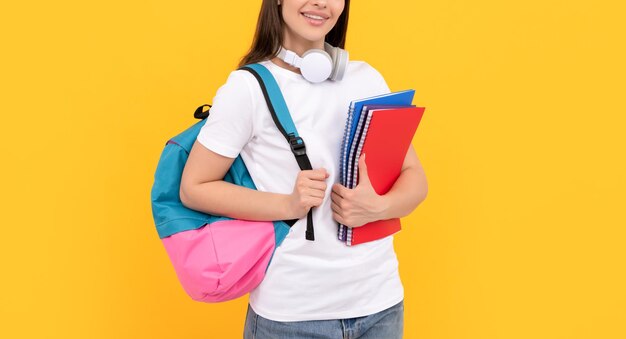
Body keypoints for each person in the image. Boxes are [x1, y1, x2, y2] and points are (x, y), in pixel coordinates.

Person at [179, 0, 428, 337]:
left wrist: (378, 207)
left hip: (379, 304)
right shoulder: (248, 87)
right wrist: (288, 204)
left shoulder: (366, 79)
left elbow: (415, 178)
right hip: (292, 316)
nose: (321, 3)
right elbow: (194, 187)